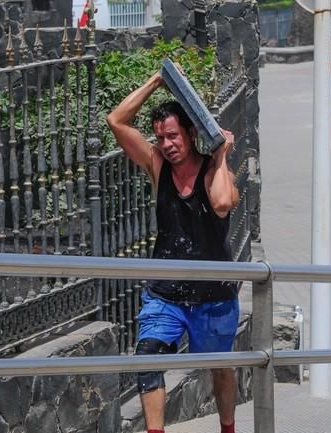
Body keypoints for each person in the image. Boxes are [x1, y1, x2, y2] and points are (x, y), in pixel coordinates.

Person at [106, 69, 240, 433]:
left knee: (220, 367)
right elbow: (116, 120)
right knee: (146, 359)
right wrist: (154, 81)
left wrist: (221, 156)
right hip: (165, 294)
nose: (166, 144)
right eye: (161, 137)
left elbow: (224, 204)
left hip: (213, 296)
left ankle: (228, 428)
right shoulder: (157, 166)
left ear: (191, 133)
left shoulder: (214, 173)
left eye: (173, 136)